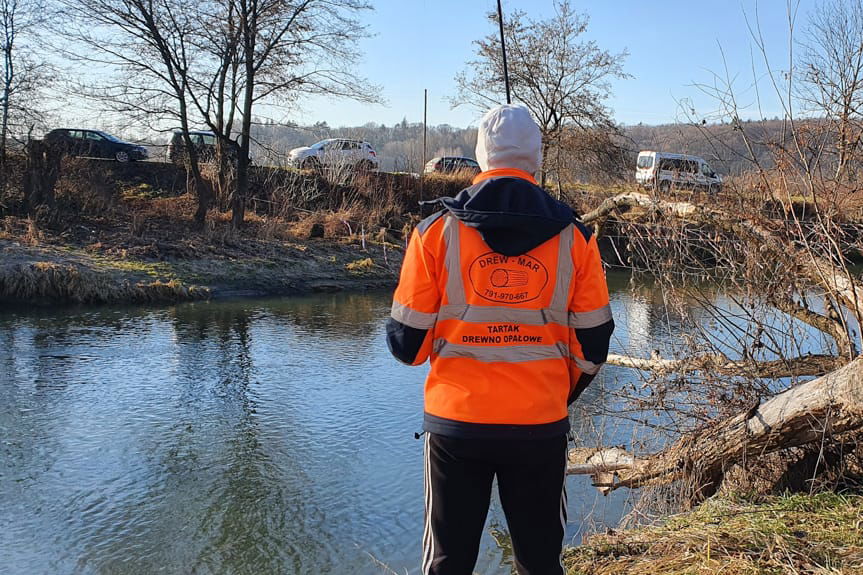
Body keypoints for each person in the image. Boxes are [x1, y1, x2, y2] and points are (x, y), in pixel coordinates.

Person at [386, 104, 614, 575]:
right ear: (537, 157)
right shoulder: (576, 238)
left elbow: (407, 347)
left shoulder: (433, 233)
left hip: (456, 423)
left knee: (447, 564)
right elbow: (593, 346)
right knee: (540, 563)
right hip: (539, 423)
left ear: (479, 156)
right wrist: (557, 391)